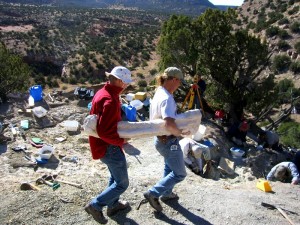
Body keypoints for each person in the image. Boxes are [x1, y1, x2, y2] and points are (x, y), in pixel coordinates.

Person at [84, 66, 132, 224]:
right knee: (122, 183)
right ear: (119, 81)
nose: (126, 86)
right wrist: (121, 141)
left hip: (104, 146)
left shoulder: (103, 92)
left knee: (114, 176)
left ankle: (113, 205)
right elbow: (105, 132)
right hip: (109, 147)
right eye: (125, 83)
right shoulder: (110, 100)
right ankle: (96, 205)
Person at [143, 67, 190, 212]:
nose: (179, 85)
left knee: (169, 167)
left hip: (160, 140)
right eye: (179, 82)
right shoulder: (167, 98)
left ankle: (167, 193)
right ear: (174, 79)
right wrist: (180, 133)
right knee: (180, 173)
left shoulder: (159, 92)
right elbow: (169, 123)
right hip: (169, 141)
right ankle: (153, 193)